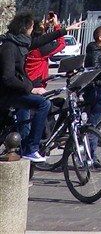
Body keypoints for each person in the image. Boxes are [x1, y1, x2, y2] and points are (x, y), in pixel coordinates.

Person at [0, 12, 82, 161]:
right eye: (31, 27)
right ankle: (31, 148)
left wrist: (65, 29)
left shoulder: (22, 42)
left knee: (29, 114)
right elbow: (8, 77)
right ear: (25, 28)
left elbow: (43, 39)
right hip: (8, 93)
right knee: (43, 104)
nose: (32, 31)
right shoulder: (9, 46)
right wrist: (30, 88)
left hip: (18, 90)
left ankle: (26, 147)